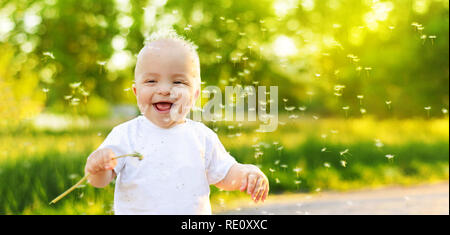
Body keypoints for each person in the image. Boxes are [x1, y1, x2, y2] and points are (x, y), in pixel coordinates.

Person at [84, 29, 269, 215]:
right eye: (151, 81)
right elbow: (100, 181)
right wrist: (96, 168)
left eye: (178, 82)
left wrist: (246, 174)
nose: (164, 90)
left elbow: (225, 174)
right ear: (136, 92)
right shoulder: (126, 135)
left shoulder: (201, 136)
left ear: (195, 94)